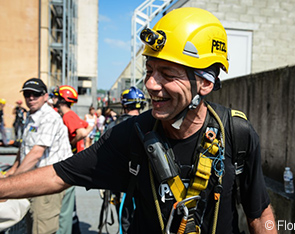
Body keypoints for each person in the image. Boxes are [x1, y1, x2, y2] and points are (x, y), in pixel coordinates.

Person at [0, 8, 277, 234]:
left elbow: (259, 212)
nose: (150, 84)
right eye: (149, 70)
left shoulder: (236, 133)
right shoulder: (132, 135)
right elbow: (59, 174)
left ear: (205, 83)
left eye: (167, 73)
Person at [4, 78, 73, 234]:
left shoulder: (48, 117)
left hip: (47, 180)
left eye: (36, 94)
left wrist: (11, 181)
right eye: (27, 94)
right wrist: (13, 169)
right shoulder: (31, 115)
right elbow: (24, 147)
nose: (31, 98)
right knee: (31, 224)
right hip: (34, 179)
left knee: (42, 228)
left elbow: (36, 153)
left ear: (45, 96)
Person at [101, 86, 147, 234]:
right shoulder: (149, 125)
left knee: (125, 224)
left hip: (120, 185)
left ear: (124, 105)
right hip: (143, 183)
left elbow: (103, 155)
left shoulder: (114, 126)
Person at [51, 85, 94, 234]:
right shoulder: (70, 114)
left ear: (62, 99)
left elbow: (82, 132)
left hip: (67, 161)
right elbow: (88, 127)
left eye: (56, 96)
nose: (54, 98)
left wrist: (70, 143)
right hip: (71, 159)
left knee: (64, 205)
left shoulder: (67, 115)